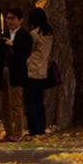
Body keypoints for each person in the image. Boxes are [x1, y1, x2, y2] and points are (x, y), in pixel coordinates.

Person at [0, 8, 31, 142]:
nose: (10, 21)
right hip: (3, 71)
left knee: (16, 103)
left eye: (13, 18)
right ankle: (8, 132)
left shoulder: (24, 36)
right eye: (8, 18)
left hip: (17, 73)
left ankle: (18, 132)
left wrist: (12, 45)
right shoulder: (4, 34)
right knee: (4, 104)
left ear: (20, 20)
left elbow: (25, 54)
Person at [24, 7, 53, 137]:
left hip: (31, 70)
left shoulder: (34, 34)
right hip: (43, 71)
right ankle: (41, 126)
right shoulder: (49, 34)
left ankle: (33, 128)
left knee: (30, 101)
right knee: (39, 101)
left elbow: (28, 50)